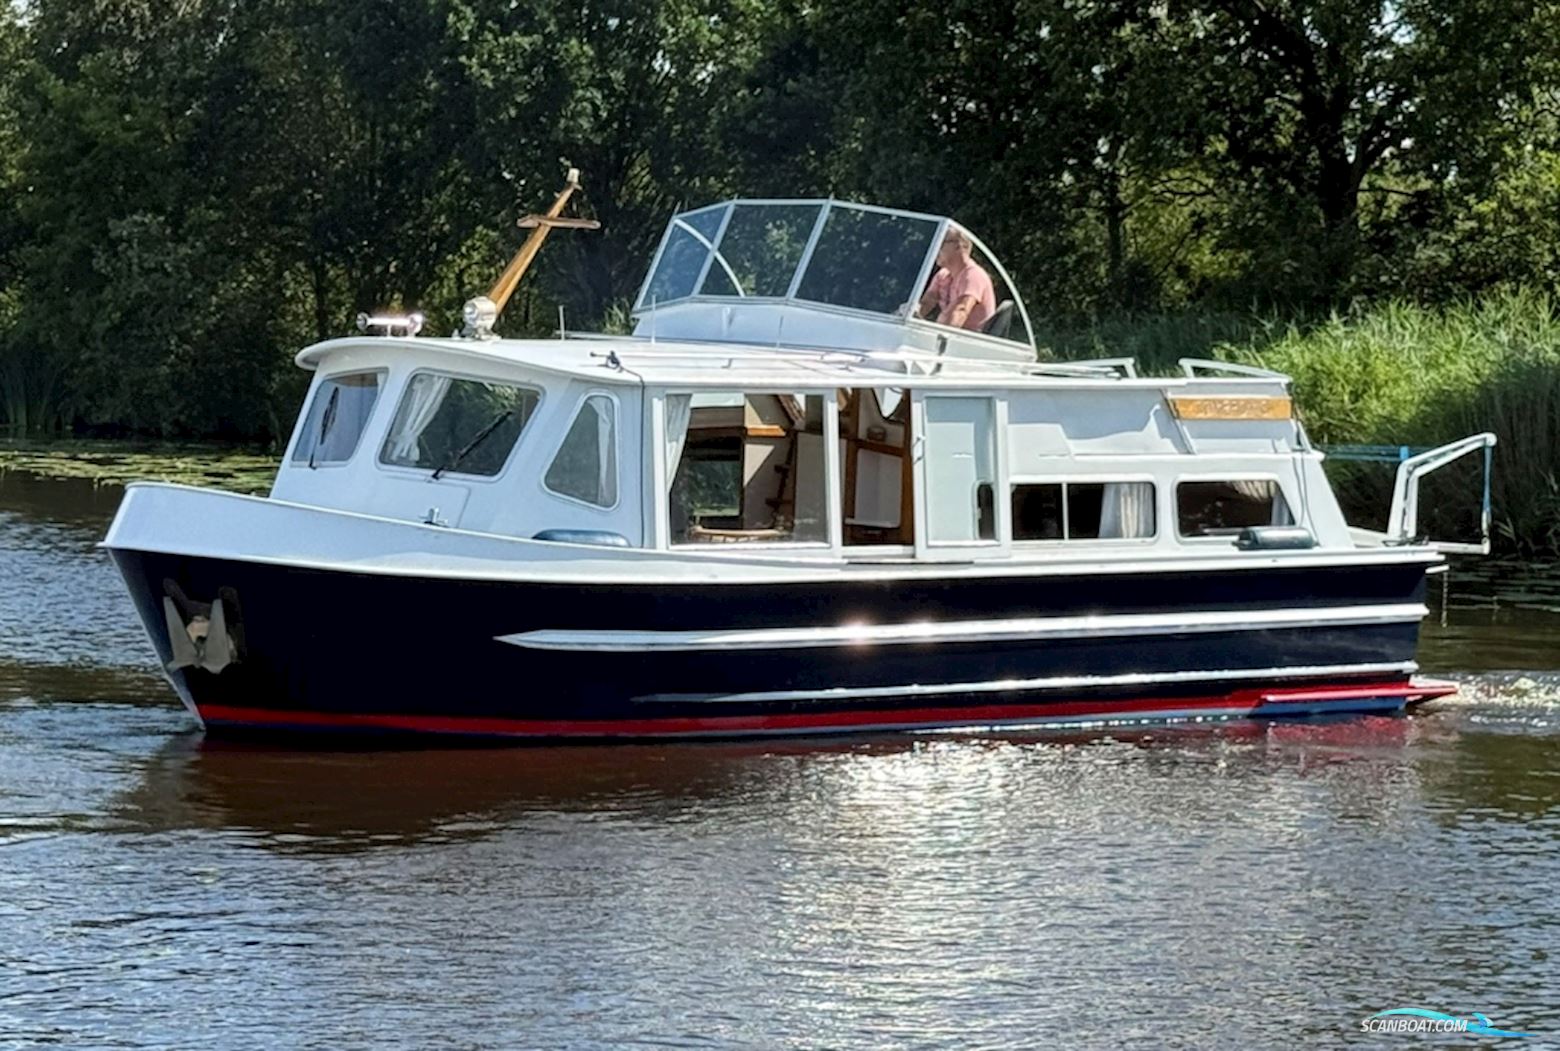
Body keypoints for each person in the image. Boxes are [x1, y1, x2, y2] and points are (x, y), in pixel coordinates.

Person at [914, 225, 996, 331]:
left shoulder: (973, 276)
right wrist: (909, 313)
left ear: (959, 246)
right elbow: (927, 302)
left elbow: (961, 311)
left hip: (969, 341)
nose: (935, 248)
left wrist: (940, 337)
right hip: (951, 336)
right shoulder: (943, 275)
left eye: (941, 242)